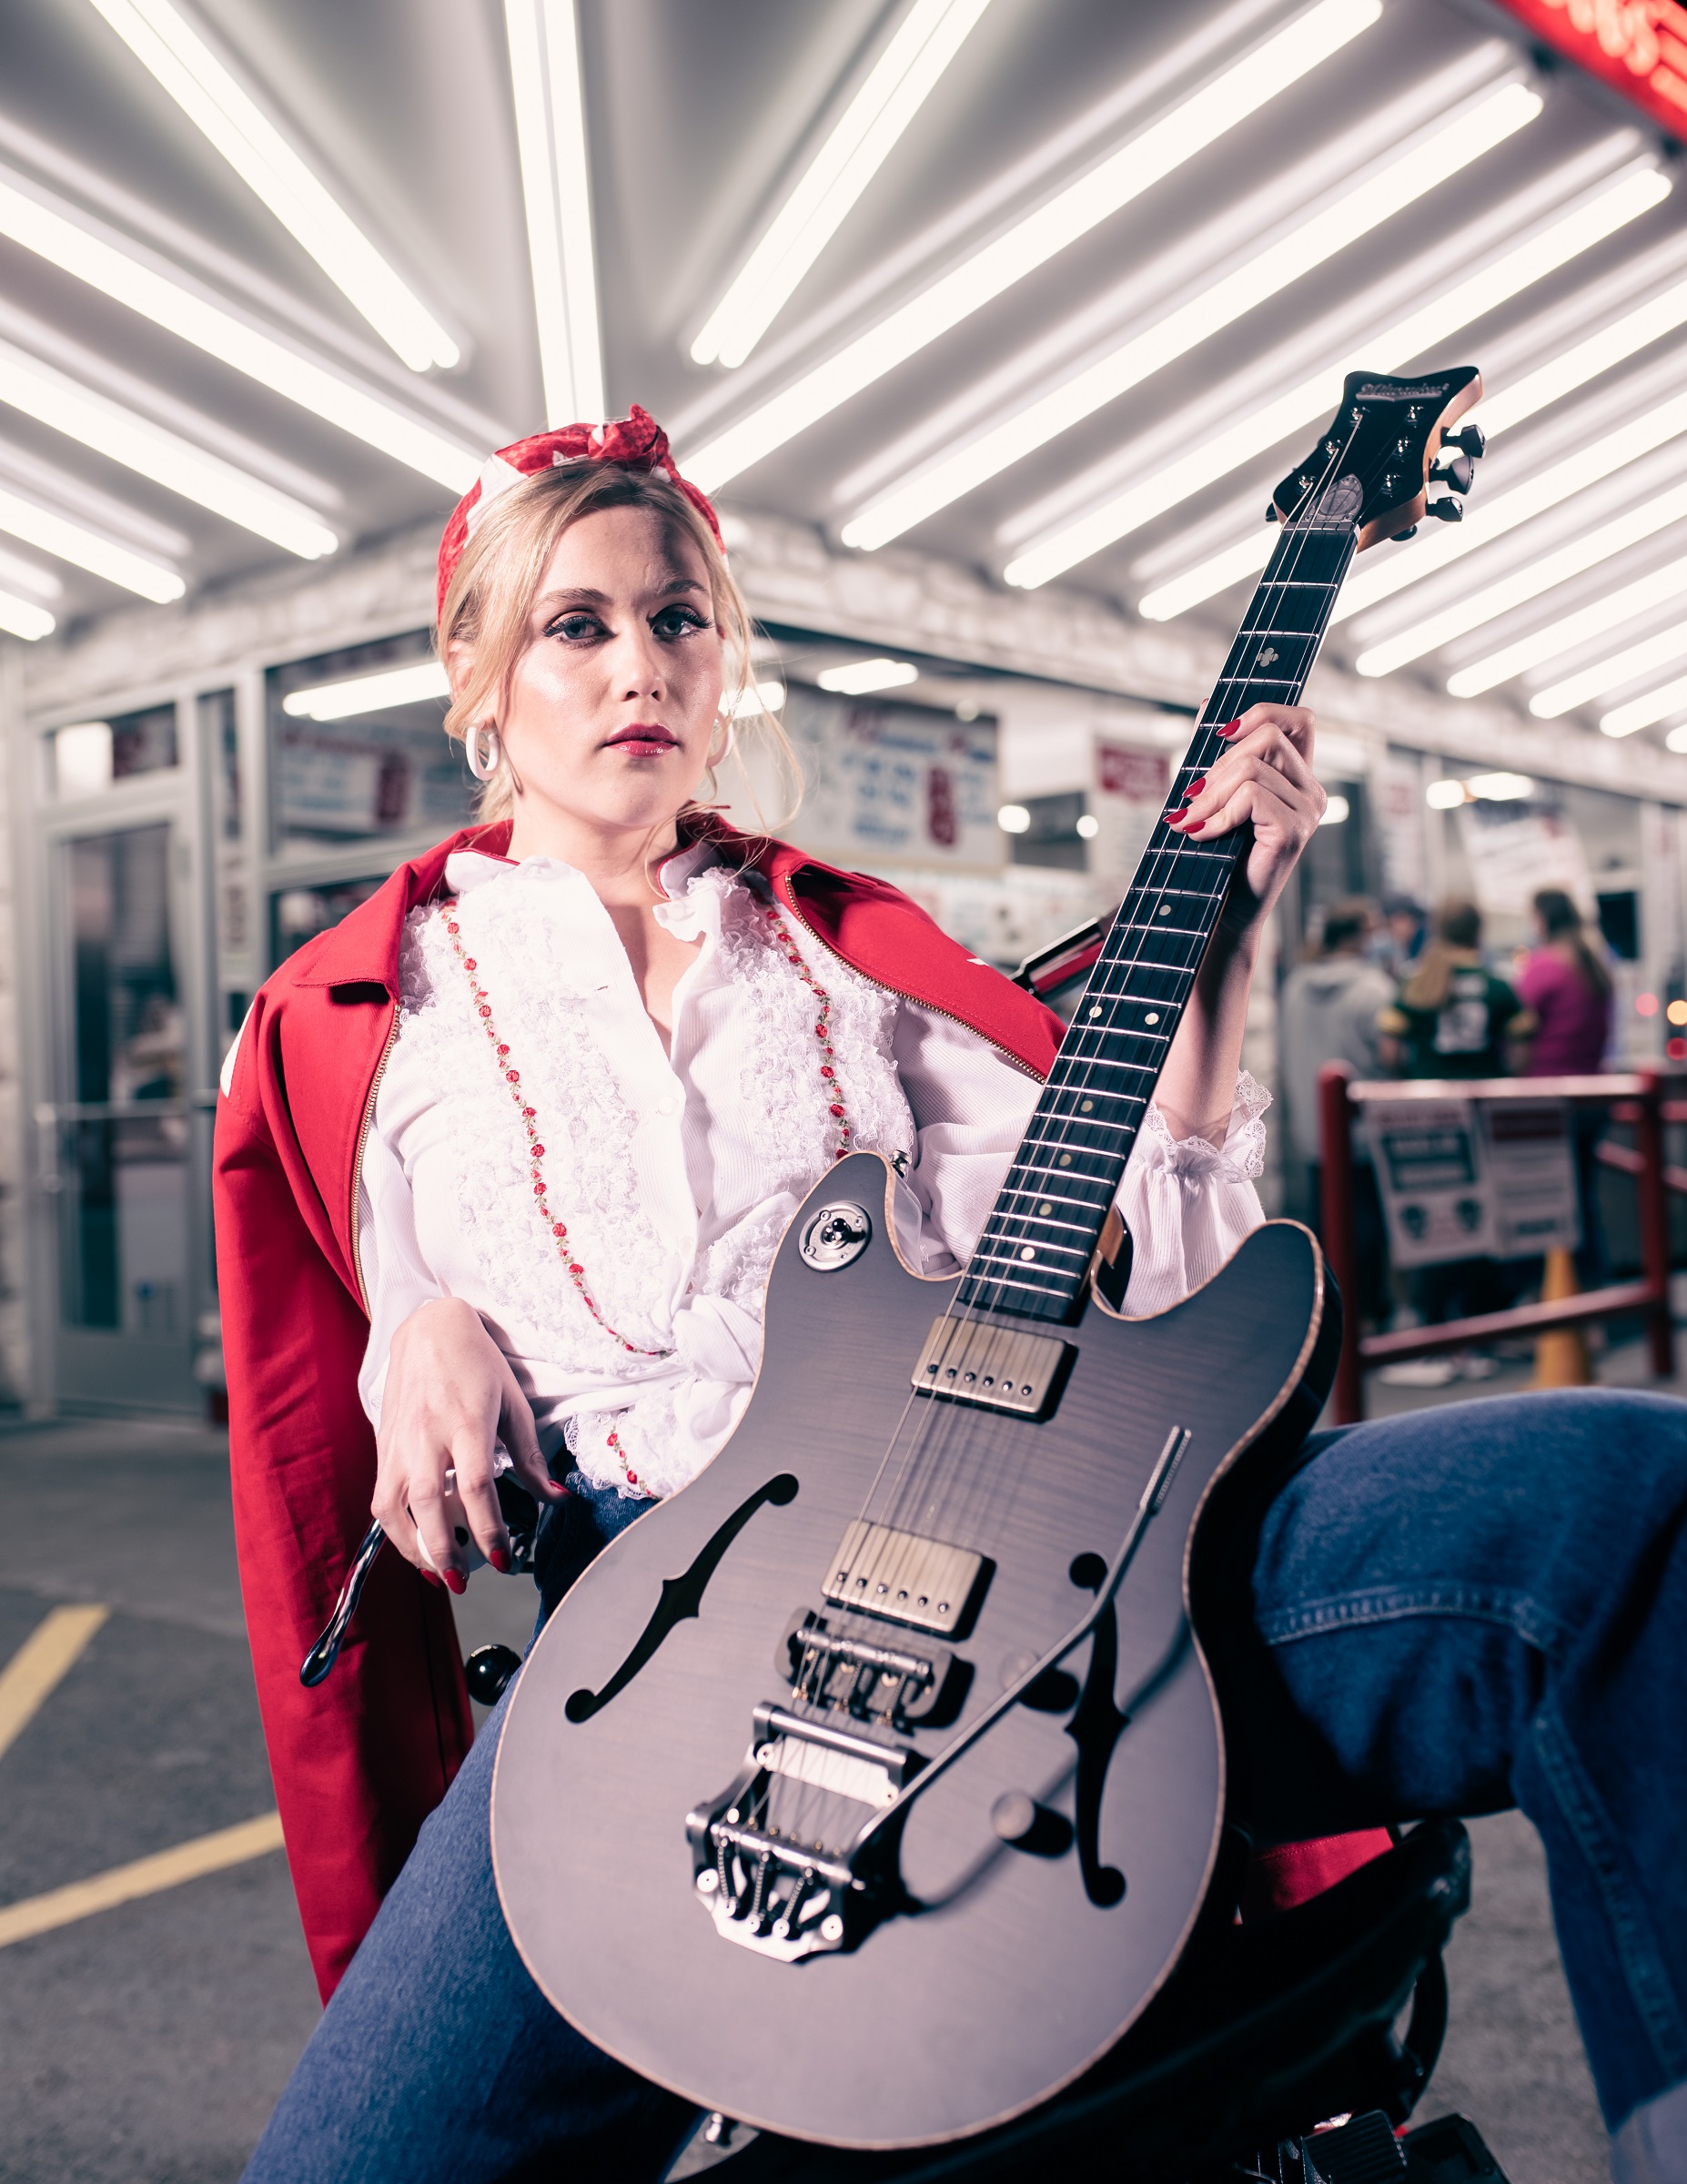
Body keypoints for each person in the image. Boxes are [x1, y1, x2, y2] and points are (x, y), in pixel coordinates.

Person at [219, 411, 1687, 2184]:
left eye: (682, 620)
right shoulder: (371, 1010)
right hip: (651, 1636)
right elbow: (353, 1271)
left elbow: (1157, 1276)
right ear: (480, 676)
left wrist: (1221, 956)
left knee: (1619, 1514)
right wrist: (412, 1334)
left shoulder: (840, 951)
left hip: (1028, 1534)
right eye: (577, 624)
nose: (642, 669)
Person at [1277, 897, 1393, 1327]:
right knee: (1367, 1224)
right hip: (1364, 1130)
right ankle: (1370, 1312)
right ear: (1359, 935)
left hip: (1312, 1128)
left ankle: (1327, 1312)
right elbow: (1389, 1055)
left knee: (1325, 1221)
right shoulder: (1374, 989)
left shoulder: (1295, 985)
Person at [1517, 886, 1615, 1289]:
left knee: (1550, 1205)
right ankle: (1594, 1298)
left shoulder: (1544, 967)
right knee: (1583, 1201)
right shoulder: (1593, 962)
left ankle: (1559, 1305)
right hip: (1593, 1097)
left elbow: (1519, 1032)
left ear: (1542, 919)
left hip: (1549, 1100)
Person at [1377, 899, 1530, 1080]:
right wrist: (1503, 1076)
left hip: (1430, 1097)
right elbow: (1523, 1052)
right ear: (1478, 931)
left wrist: (1410, 1077)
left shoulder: (1415, 985)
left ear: (1438, 931)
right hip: (1484, 1095)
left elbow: (1389, 1053)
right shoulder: (1497, 986)